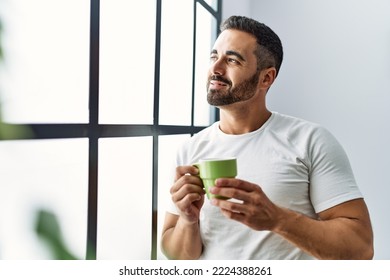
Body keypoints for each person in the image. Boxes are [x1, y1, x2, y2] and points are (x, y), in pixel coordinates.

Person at [160, 15, 374, 260]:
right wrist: (188, 220)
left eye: (232, 60)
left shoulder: (311, 141)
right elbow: (178, 257)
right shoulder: (190, 149)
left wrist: (277, 219)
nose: (215, 69)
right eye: (213, 56)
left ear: (266, 78)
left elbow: (360, 249)